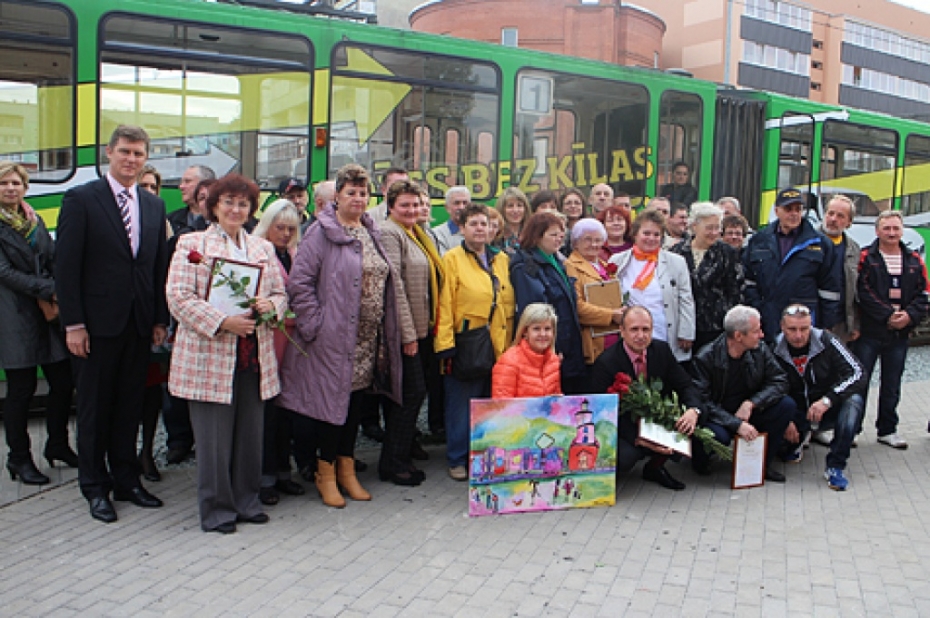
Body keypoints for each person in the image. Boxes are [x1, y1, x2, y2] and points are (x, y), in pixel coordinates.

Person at [56, 124, 169, 523]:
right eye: (125, 152)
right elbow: (66, 269)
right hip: (95, 327)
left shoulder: (153, 205)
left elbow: (156, 267)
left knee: (129, 407)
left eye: (138, 154)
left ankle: (128, 479)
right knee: (94, 409)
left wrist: (159, 318)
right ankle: (94, 486)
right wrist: (73, 324)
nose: (131, 160)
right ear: (109, 152)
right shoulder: (81, 199)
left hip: (138, 325)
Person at [166, 173, 286, 533]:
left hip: (253, 353)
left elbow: (281, 295)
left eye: (243, 203)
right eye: (228, 202)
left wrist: (271, 306)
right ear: (214, 206)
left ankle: (246, 501)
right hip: (210, 353)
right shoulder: (191, 243)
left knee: (250, 434)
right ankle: (217, 510)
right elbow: (178, 297)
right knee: (214, 439)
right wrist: (222, 322)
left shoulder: (262, 248)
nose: (236, 209)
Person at [278, 163, 403, 508]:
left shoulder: (370, 230)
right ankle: (325, 472)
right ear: (338, 196)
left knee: (355, 404)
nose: (359, 199)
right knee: (333, 407)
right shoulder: (321, 232)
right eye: (352, 193)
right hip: (332, 338)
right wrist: (315, 324)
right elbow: (299, 283)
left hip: (366, 337)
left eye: (364, 193)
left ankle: (347, 468)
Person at [0, 162, 76, 485]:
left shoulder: (34, 219)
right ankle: (18, 457)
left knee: (62, 380)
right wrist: (49, 288)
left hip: (45, 315)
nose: (10, 188)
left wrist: (60, 281)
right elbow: (4, 272)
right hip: (13, 314)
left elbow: (52, 255)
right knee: (21, 389)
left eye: (16, 182)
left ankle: (57, 443)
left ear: (25, 187)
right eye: (3, 183)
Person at [435, 203, 515, 481]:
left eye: (485, 223)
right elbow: (444, 304)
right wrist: (445, 345)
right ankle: (457, 458)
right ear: (462, 228)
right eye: (474, 224)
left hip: (497, 343)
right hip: (467, 341)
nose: (481, 229)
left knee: (489, 403)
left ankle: (482, 456)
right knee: (461, 403)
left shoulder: (501, 259)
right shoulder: (452, 259)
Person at [590, 306, 704, 491]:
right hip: (625, 423)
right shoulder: (606, 363)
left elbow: (686, 384)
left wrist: (693, 410)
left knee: (694, 421)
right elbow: (601, 414)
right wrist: (639, 439)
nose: (641, 335)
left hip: (655, 416)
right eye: (634, 329)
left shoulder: (661, 350)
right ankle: (611, 474)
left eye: (646, 329)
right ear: (622, 331)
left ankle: (654, 468)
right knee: (627, 457)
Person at [378, 179, 446, 486]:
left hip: (425, 329)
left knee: (415, 393)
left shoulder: (417, 232)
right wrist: (407, 335)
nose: (412, 209)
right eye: (405, 204)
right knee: (410, 394)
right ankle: (393, 462)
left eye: (417, 204)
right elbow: (396, 288)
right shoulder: (390, 232)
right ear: (391, 206)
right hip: (407, 332)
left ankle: (399, 456)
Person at [690, 305, 793, 482]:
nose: (762, 335)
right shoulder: (706, 357)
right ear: (738, 336)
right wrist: (736, 424)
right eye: (756, 331)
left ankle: (762, 465)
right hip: (718, 416)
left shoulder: (760, 349)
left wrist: (752, 403)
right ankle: (700, 460)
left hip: (749, 411)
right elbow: (703, 401)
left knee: (786, 405)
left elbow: (780, 380)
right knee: (716, 436)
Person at [855, 211, 929, 450]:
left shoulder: (914, 260)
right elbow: (862, 292)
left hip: (900, 334)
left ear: (902, 231)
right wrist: (887, 315)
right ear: (877, 231)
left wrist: (908, 317)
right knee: (861, 382)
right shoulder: (866, 257)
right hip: (870, 332)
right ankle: (853, 428)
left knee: (892, 383)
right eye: (886, 228)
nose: (891, 233)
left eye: (896, 228)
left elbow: (924, 293)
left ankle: (887, 430)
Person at [773, 304, 866, 491]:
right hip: (797, 410)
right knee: (784, 453)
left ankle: (835, 465)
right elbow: (767, 385)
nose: (798, 335)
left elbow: (858, 372)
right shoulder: (773, 347)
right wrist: (785, 418)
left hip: (826, 407)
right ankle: (799, 439)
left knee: (854, 401)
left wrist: (828, 400)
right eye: (792, 329)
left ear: (812, 326)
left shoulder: (827, 340)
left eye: (804, 329)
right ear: (782, 327)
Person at [251, 198, 305, 506]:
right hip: (268, 339)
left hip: (292, 344)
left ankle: (284, 472)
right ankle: (264, 477)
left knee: (287, 412)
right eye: (280, 227)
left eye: (291, 228)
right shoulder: (258, 251)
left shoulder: (295, 253)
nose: (285, 234)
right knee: (266, 414)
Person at [164, 165, 217, 467]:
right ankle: (178, 439)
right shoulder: (176, 223)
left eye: (187, 181)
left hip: (219, 321)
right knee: (176, 383)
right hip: (183, 316)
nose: (181, 186)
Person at [743, 188, 840, 342]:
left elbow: (830, 289)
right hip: (766, 320)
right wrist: (758, 308)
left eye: (798, 209)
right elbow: (748, 280)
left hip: (801, 323)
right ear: (776, 211)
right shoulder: (759, 240)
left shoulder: (821, 244)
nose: (794, 214)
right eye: (788, 209)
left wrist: (824, 326)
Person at [510, 212, 587, 394]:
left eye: (561, 235)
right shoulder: (526, 266)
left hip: (568, 341)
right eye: (553, 235)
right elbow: (535, 313)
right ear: (537, 236)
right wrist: (550, 348)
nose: (558, 239)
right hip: (549, 345)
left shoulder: (557, 261)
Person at [609, 209, 695, 363]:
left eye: (656, 235)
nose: (651, 238)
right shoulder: (617, 261)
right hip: (632, 334)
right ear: (635, 234)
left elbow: (686, 299)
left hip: (665, 330)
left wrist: (686, 332)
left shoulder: (677, 262)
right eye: (646, 233)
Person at [669, 202, 744, 352]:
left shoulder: (727, 253)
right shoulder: (676, 252)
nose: (714, 232)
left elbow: (735, 291)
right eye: (709, 228)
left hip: (716, 327)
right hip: (682, 326)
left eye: (717, 228)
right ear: (695, 226)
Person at [136, 166, 169, 483]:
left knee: (150, 396)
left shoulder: (163, 222)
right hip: (125, 321)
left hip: (153, 322)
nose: (148, 191)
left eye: (153, 186)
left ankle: (146, 453)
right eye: (142, 185)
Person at [563, 219, 625, 371]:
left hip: (614, 339)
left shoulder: (604, 265)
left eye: (598, 240)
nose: (594, 244)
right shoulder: (571, 266)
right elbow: (577, 307)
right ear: (576, 243)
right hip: (592, 342)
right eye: (588, 239)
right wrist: (612, 315)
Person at [492, 303, 561, 398]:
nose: (543, 334)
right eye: (536, 329)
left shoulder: (554, 360)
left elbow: (556, 401)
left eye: (547, 329)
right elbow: (501, 406)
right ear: (525, 331)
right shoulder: (509, 361)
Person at [168, 164, 215, 238]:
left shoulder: (222, 220)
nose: (181, 187)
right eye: (181, 182)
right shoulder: (171, 220)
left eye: (187, 181)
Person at [432, 186, 470, 255]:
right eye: (457, 203)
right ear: (447, 208)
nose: (461, 207)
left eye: (465, 203)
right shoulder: (436, 234)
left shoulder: (478, 231)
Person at [496, 186, 530, 254]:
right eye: (510, 206)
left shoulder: (531, 234)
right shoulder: (496, 234)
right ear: (502, 209)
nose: (515, 210)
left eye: (519, 205)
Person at [558, 188, 586, 256]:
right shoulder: (557, 231)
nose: (573, 206)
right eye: (568, 203)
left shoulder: (589, 229)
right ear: (561, 207)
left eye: (577, 203)